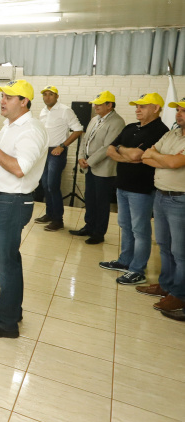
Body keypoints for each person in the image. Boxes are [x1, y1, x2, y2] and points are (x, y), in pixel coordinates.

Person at [0, 80, 48, 338]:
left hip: (12, 202)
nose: (2, 101)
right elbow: (3, 159)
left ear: (24, 101)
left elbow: (19, 168)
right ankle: (10, 308)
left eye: (9, 97)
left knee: (6, 263)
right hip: (1, 198)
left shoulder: (32, 130)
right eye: (2, 96)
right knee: (8, 260)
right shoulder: (9, 125)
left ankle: (7, 324)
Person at [102, 93, 169, 285]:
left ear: (156, 108)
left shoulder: (159, 130)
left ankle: (137, 269)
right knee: (125, 225)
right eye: (136, 106)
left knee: (140, 230)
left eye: (143, 106)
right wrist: (127, 154)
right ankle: (125, 262)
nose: (137, 110)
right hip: (122, 184)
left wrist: (123, 151)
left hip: (141, 188)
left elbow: (137, 154)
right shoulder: (131, 127)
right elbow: (110, 150)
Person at [136, 99, 185, 316]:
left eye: (184, 111)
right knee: (164, 246)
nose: (179, 114)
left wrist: (162, 158)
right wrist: (164, 158)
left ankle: (179, 295)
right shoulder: (172, 134)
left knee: (180, 252)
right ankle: (166, 286)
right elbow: (146, 156)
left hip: (180, 199)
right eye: (178, 110)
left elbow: (175, 164)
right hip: (161, 195)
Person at [70, 91, 127, 245]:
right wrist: (81, 157)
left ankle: (98, 233)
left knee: (101, 202)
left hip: (103, 169)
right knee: (90, 199)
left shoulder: (117, 122)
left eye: (99, 104)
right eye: (95, 103)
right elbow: (85, 139)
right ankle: (89, 226)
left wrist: (89, 161)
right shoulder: (95, 119)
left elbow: (107, 147)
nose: (95, 106)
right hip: (89, 166)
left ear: (110, 105)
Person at [34, 85, 84, 231]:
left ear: (57, 96)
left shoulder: (65, 110)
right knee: (45, 185)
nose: (47, 97)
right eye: (45, 94)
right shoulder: (43, 111)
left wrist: (62, 146)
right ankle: (49, 214)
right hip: (44, 152)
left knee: (53, 186)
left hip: (57, 152)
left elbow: (78, 129)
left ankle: (58, 220)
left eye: (50, 94)